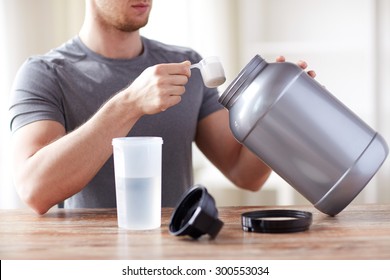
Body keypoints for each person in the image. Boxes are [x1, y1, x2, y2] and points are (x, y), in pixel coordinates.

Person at [9, 0, 316, 215]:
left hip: (179, 249)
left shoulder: (187, 66)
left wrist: (276, 115)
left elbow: (246, 174)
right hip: (91, 257)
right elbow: (35, 191)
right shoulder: (45, 73)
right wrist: (129, 104)